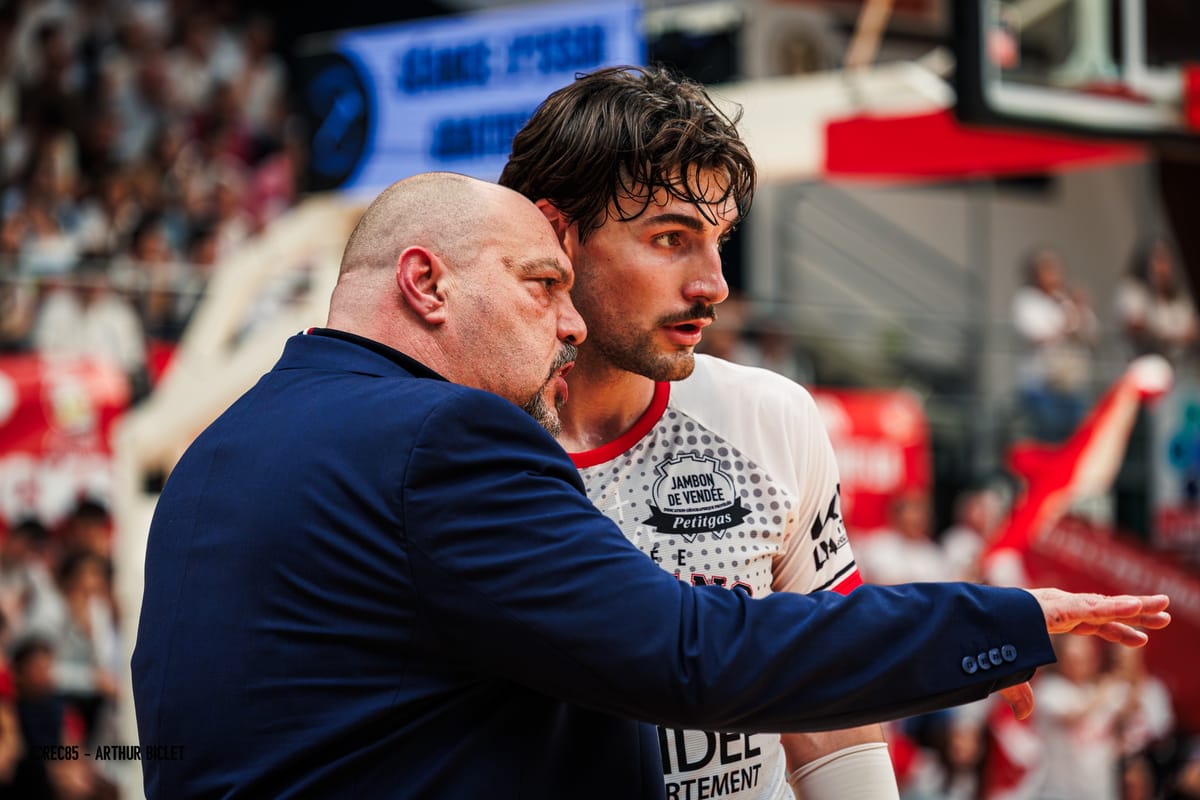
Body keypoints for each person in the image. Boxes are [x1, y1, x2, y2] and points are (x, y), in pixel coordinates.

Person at [131, 171, 1170, 800]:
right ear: (424, 282)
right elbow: (694, 654)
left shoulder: (214, 454)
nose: (569, 320)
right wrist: (1001, 621)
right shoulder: (446, 436)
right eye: (542, 284)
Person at [495, 64, 909, 798]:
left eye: (719, 240)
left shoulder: (772, 416)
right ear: (558, 236)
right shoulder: (451, 447)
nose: (712, 284)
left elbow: (829, 699)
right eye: (670, 238)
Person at [1010, 246, 1098, 442]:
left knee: (1077, 440)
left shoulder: (1069, 300)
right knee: (1048, 439)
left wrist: (1080, 309)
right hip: (1042, 384)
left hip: (1072, 385)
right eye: (1047, 269)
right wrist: (1067, 326)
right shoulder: (1027, 301)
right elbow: (1036, 336)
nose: (1054, 275)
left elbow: (1091, 335)